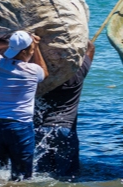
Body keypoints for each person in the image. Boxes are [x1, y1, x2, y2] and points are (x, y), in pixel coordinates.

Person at [0, 30, 49, 180]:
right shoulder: (32, 71)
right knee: (23, 176)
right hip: (20, 126)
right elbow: (44, 73)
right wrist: (36, 47)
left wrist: (11, 43)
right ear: (28, 50)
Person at [34, 40, 95, 178]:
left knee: (42, 174)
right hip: (64, 129)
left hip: (40, 130)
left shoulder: (41, 76)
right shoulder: (78, 73)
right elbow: (90, 48)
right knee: (68, 176)